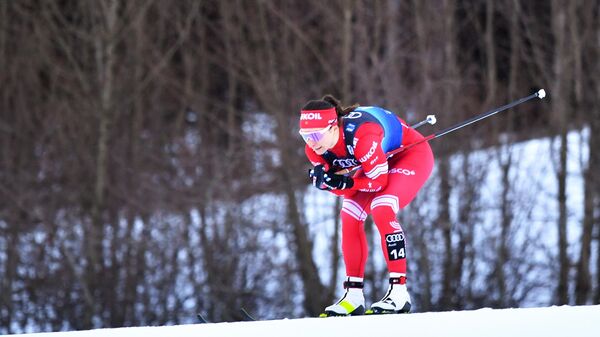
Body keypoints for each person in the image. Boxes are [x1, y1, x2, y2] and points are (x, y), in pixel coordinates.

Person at [299, 95, 434, 316]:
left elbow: (378, 183)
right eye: (305, 136)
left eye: (315, 134)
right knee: (349, 213)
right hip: (375, 163)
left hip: (409, 155)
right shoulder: (314, 149)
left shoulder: (363, 135)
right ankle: (353, 296)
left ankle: (399, 293)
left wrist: (343, 181)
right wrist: (330, 184)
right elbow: (348, 189)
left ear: (333, 127)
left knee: (382, 206)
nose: (311, 142)